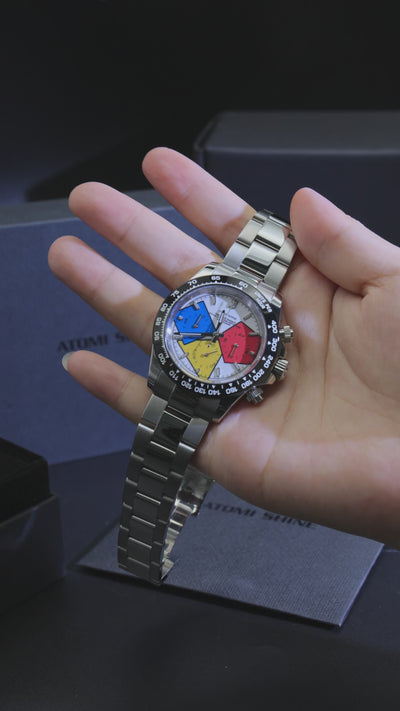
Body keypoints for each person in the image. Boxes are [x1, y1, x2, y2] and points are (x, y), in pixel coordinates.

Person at [48, 147, 400, 549]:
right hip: (191, 367)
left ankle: (152, 539)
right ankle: (152, 540)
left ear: (276, 347)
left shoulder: (263, 345)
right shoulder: (199, 315)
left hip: (213, 378)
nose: (219, 338)